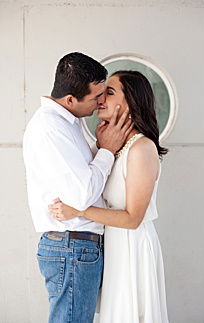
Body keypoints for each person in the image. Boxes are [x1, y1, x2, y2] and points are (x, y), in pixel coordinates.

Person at [50, 70, 170, 323]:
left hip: (131, 245)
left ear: (131, 102)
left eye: (110, 92)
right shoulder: (109, 145)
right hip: (112, 244)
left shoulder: (141, 148)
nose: (101, 99)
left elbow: (133, 218)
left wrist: (79, 211)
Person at [23, 52, 133, 322]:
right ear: (71, 99)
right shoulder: (52, 129)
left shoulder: (67, 123)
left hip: (75, 247)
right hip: (72, 248)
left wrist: (99, 148)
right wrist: (106, 150)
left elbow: (78, 179)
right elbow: (83, 195)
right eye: (97, 97)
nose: (100, 103)